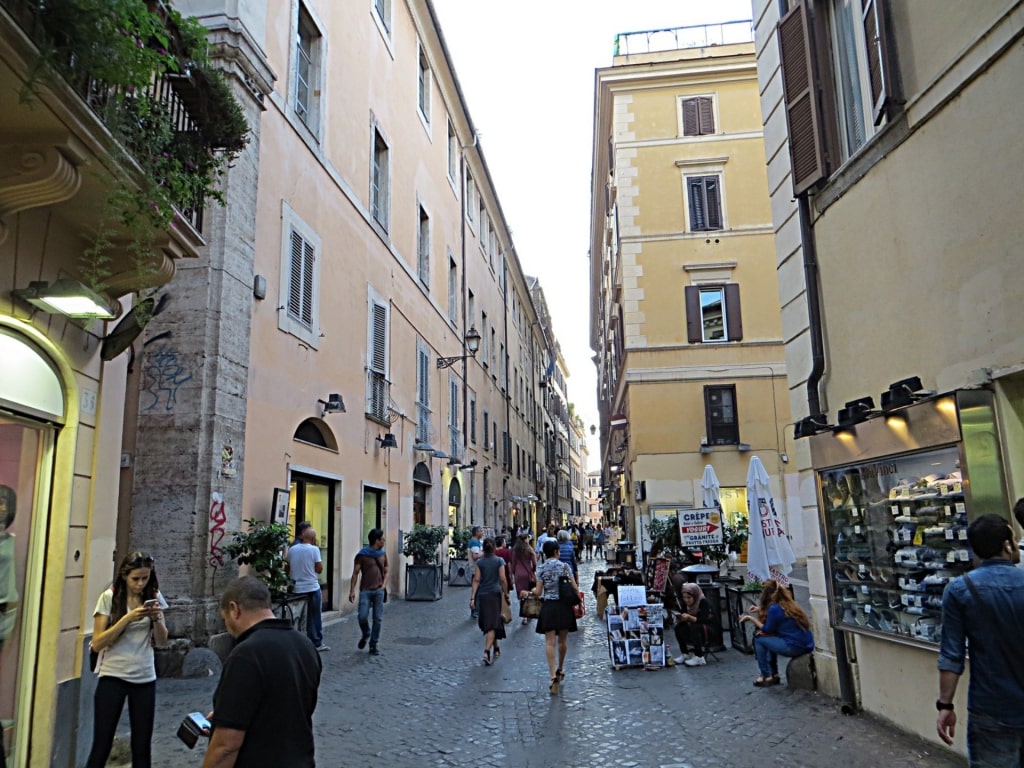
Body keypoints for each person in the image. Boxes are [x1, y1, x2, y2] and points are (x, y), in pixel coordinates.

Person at [203, 576, 321, 768]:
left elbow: (226, 747)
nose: (228, 627)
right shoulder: (305, 645)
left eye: (225, 620)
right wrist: (229, 713)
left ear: (234, 609)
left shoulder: (245, 655)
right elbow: (287, 706)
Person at [936, 513, 1024, 763]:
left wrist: (945, 706)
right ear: (1007, 545)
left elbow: (951, 657)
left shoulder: (959, 590)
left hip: (991, 707)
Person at [85, 551, 169, 768]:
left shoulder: (154, 595)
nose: (141, 584)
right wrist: (127, 619)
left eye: (145, 578)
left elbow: (161, 641)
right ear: (124, 576)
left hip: (144, 677)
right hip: (113, 676)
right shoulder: (109, 598)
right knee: (101, 745)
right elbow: (97, 642)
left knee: (142, 747)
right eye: (136, 579)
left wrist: (157, 619)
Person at [521, 540, 579, 695]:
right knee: (562, 641)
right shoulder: (565, 567)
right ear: (556, 552)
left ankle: (553, 674)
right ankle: (561, 668)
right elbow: (574, 587)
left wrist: (530, 591)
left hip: (549, 607)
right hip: (564, 607)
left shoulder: (541, 569)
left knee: (549, 642)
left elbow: (538, 592)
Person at [740, 579, 814, 687]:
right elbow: (778, 618)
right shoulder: (788, 604)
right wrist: (760, 610)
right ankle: (773, 674)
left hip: (794, 646)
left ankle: (766, 675)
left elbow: (767, 629)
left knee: (759, 638)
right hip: (807, 644)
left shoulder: (774, 609)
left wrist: (750, 618)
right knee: (769, 638)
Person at [286, 526, 327, 652]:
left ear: (302, 536)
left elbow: (287, 568)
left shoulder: (292, 549)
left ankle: (295, 641)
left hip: (296, 588)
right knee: (314, 617)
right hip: (312, 587)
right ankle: (316, 642)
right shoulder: (314, 550)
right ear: (314, 538)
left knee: (296, 616)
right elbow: (319, 569)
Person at [469, 538, 510, 665]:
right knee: (492, 623)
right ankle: (487, 651)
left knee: (492, 622)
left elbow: (476, 580)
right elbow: (503, 579)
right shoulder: (499, 561)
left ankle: (496, 648)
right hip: (495, 594)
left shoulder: (480, 563)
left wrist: (472, 597)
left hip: (483, 595)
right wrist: (507, 594)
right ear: (493, 548)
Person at [349, 528, 387, 655]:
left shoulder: (382, 554)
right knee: (362, 616)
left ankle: (373, 644)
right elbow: (355, 573)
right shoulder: (362, 555)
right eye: (382, 539)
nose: (384, 541)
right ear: (376, 541)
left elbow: (386, 569)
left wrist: (384, 585)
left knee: (378, 619)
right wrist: (352, 590)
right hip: (365, 590)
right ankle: (366, 633)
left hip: (379, 590)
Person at [671, 583, 715, 667]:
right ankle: (685, 654)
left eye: (689, 598)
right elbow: (683, 613)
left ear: (695, 596)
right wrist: (680, 618)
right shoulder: (686, 604)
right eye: (684, 598)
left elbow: (703, 620)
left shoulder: (703, 602)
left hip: (708, 629)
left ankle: (699, 657)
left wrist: (689, 617)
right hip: (694, 627)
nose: (687, 600)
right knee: (679, 627)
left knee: (695, 627)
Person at [511, 533, 537, 625]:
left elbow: (513, 564)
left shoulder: (515, 550)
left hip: (518, 574)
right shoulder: (529, 549)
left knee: (521, 595)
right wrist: (533, 571)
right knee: (528, 594)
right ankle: (529, 613)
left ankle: (525, 617)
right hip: (527, 574)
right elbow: (534, 563)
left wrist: (512, 575)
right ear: (525, 539)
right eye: (528, 538)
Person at [494, 536, 514, 625]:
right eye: (505, 542)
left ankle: (498, 612)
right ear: (502, 543)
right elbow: (509, 564)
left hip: (495, 576)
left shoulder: (493, 552)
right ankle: (504, 611)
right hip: (505, 574)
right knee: (506, 593)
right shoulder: (507, 551)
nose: (505, 543)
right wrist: (511, 575)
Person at [468, 526, 484, 618]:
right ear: (476, 532)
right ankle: (475, 610)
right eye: (481, 531)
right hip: (476, 569)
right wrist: (484, 552)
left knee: (477, 590)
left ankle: (476, 609)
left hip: (476, 569)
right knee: (477, 590)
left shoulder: (476, 542)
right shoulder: (474, 542)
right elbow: (475, 556)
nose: (482, 533)